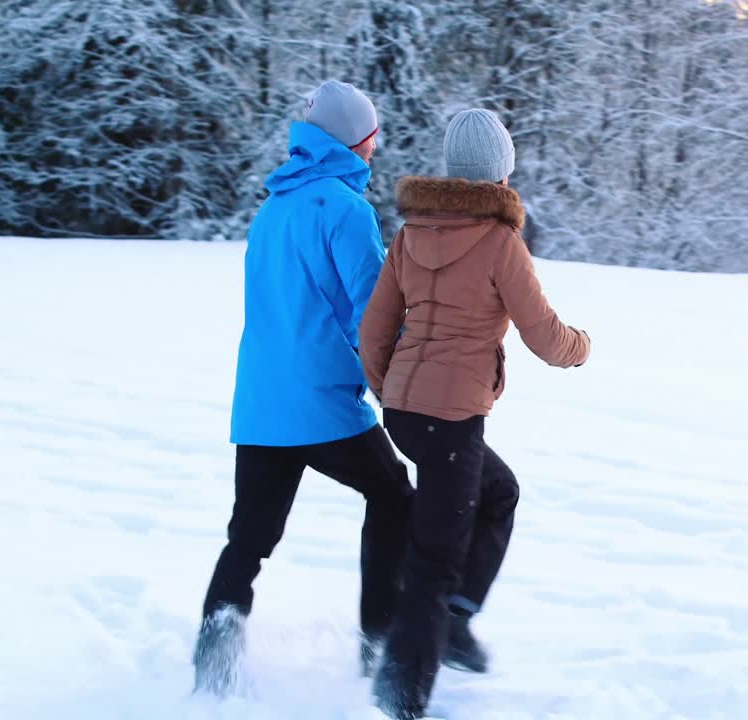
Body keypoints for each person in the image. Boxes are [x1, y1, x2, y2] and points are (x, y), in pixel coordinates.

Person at [359, 108, 591, 719]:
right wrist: (580, 347)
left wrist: (392, 390)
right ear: (500, 175)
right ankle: (401, 696)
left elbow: (376, 327)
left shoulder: (412, 232)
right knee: (435, 558)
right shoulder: (498, 241)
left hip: (409, 413)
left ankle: (455, 622)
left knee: (498, 492)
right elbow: (543, 335)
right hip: (451, 418)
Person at [192, 80, 415, 695]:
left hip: (262, 404)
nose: (376, 147)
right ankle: (382, 652)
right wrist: (402, 379)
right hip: (321, 405)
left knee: (250, 539)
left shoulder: (276, 205)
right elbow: (369, 314)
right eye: (373, 136)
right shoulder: (344, 209)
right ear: (355, 139)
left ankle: (212, 669)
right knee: (396, 498)